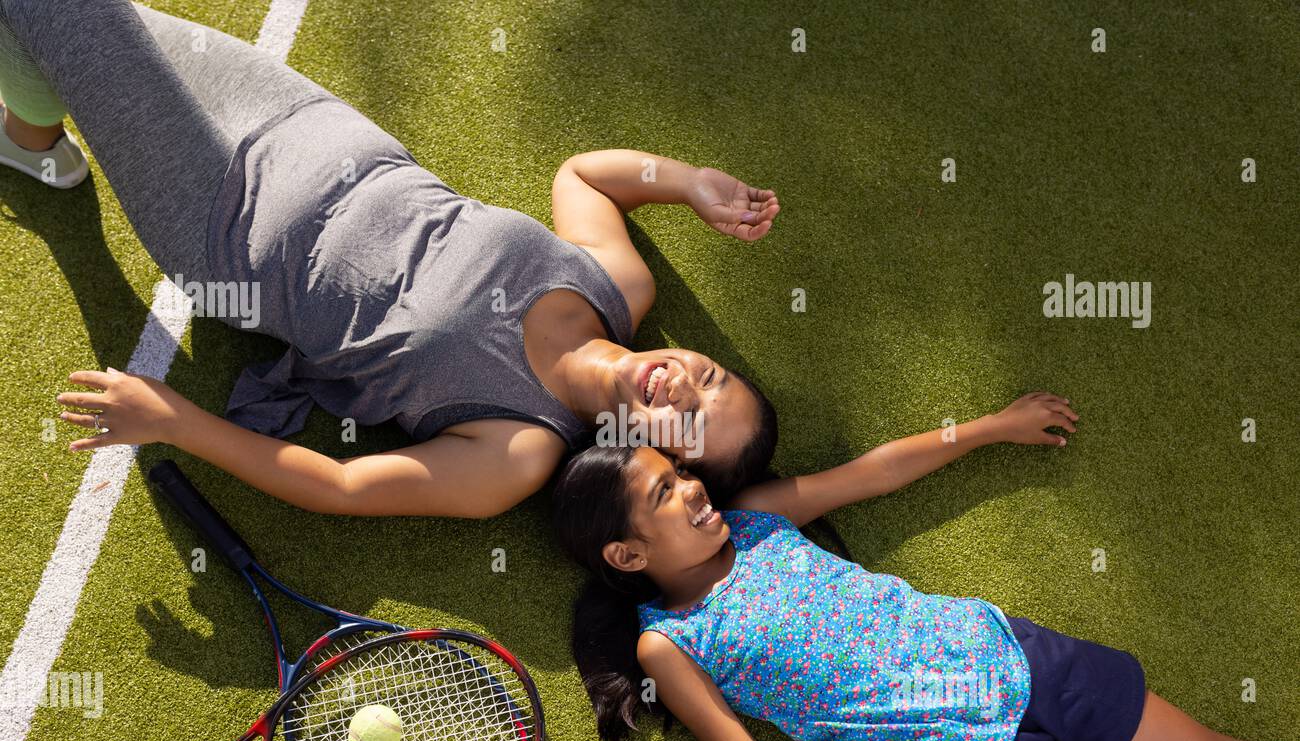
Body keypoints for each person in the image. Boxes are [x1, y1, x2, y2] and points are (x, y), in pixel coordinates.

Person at [0, 0, 779, 517]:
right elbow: (582, 175)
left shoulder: (515, 453)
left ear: (647, 455)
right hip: (301, 116)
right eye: (708, 378)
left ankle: (31, 140)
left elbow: (341, 485)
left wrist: (176, 422)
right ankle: (33, 144)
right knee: (85, 19)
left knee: (63, 10)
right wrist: (685, 183)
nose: (681, 386)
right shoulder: (618, 286)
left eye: (686, 422)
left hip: (221, 218)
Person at [550, 393, 1295, 741]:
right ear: (627, 552)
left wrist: (991, 427)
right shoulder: (668, 642)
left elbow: (874, 472)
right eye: (664, 492)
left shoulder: (757, 518)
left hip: (1009, 658)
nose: (693, 489)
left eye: (679, 473)